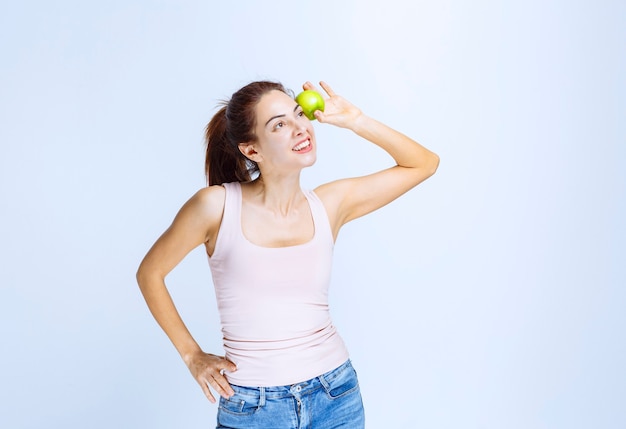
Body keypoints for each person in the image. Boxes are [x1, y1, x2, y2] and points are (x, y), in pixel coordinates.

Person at [136, 80, 439, 429]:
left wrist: (356, 120)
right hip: (253, 406)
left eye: (298, 114)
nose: (300, 128)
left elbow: (424, 164)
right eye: (279, 124)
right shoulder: (216, 206)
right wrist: (192, 355)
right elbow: (150, 273)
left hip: (335, 394)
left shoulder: (329, 204)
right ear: (252, 151)